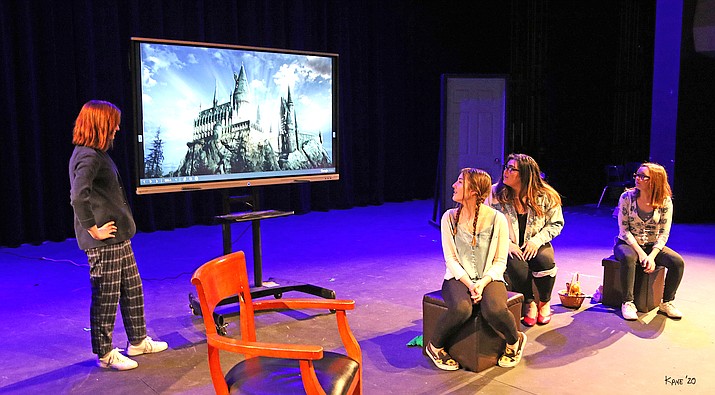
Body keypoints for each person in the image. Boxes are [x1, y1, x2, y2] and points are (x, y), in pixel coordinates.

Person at [69, 100, 168, 370]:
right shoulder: (88, 155)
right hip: (104, 241)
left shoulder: (98, 153)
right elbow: (78, 196)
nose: (118, 128)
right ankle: (104, 353)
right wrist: (93, 229)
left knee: (132, 288)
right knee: (106, 296)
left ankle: (137, 341)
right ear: (101, 124)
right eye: (113, 123)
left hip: (119, 238)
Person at [426, 168, 527, 371]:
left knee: (495, 309)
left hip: (490, 277)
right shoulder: (449, 217)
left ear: (473, 191)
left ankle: (514, 342)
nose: (454, 185)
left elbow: (500, 261)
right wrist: (470, 284)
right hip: (458, 277)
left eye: (460, 182)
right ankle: (435, 347)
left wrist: (482, 282)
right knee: (462, 308)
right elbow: (451, 260)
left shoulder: (497, 219)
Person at [485, 153, 564, 326]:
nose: (506, 171)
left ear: (525, 174)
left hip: (536, 241)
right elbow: (486, 224)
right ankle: (529, 302)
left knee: (545, 259)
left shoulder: (546, 195)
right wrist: (506, 243)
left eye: (512, 169)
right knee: (514, 260)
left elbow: (556, 223)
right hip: (507, 244)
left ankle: (544, 301)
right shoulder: (494, 193)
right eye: (506, 167)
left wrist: (536, 241)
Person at [614, 162, 684, 320]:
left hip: (652, 246)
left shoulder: (664, 201)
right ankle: (628, 302)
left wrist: (651, 256)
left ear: (655, 180)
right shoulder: (627, 197)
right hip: (628, 243)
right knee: (628, 257)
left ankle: (667, 302)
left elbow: (664, 233)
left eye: (642, 176)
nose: (637, 179)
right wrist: (640, 253)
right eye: (636, 175)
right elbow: (624, 231)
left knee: (677, 262)